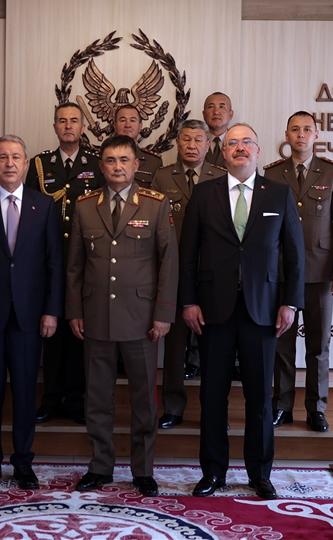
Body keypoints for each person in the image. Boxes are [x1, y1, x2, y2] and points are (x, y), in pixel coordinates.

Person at [179, 123, 304, 500]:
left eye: (246, 142)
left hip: (263, 312)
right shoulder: (203, 194)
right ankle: (213, 472)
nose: (239, 148)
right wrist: (188, 300)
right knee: (212, 396)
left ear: (258, 150)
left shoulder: (279, 195)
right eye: (232, 143)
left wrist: (291, 302)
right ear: (223, 152)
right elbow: (187, 256)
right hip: (213, 311)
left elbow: (295, 257)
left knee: (259, 399)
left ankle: (260, 475)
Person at [67, 134, 178, 498]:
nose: (117, 167)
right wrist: (74, 311)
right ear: (101, 166)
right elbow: (75, 267)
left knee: (145, 400)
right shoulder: (85, 205)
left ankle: (143, 470)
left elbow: (168, 264)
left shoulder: (155, 204)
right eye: (110, 161)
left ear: (136, 165)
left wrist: (163, 313)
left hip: (141, 317)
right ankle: (100, 466)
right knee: (97, 397)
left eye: (123, 160)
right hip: (96, 315)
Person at [0, 135, 64, 490]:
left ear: (24, 163)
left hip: (29, 318)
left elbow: (54, 263)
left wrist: (52, 311)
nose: (9, 163)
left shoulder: (44, 205)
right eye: (3, 157)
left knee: (23, 392)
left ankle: (23, 463)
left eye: (15, 157)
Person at [264, 111, 333, 433]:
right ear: (286, 135)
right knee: (282, 344)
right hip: (281, 272)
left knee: (318, 346)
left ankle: (316, 408)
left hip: (319, 271)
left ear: (317, 135)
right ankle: (282, 406)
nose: (301, 135)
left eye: (307, 130)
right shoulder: (272, 175)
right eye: (295, 129)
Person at [27, 103, 102, 426]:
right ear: (54, 126)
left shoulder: (97, 165)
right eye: (62, 121)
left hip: (85, 261)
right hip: (48, 260)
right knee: (51, 332)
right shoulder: (40, 165)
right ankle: (50, 397)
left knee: (78, 333)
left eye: (74, 121)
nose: (68, 126)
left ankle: (75, 399)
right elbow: (30, 211)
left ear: (83, 127)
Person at [151, 119, 226, 430]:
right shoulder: (162, 176)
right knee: (174, 347)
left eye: (199, 139)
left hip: (212, 274)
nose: (192, 145)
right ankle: (173, 407)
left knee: (215, 347)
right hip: (175, 272)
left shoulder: (222, 176)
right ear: (177, 144)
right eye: (186, 139)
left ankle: (214, 411)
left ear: (208, 145)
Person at [112, 104, 162, 188]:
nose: (127, 125)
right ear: (115, 126)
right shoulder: (102, 158)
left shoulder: (154, 162)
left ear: (140, 127)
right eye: (122, 120)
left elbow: (156, 198)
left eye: (132, 120)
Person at [202, 92, 234, 168]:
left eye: (222, 107)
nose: (216, 112)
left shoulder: (241, 144)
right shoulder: (192, 143)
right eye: (210, 107)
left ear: (231, 114)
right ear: (204, 114)